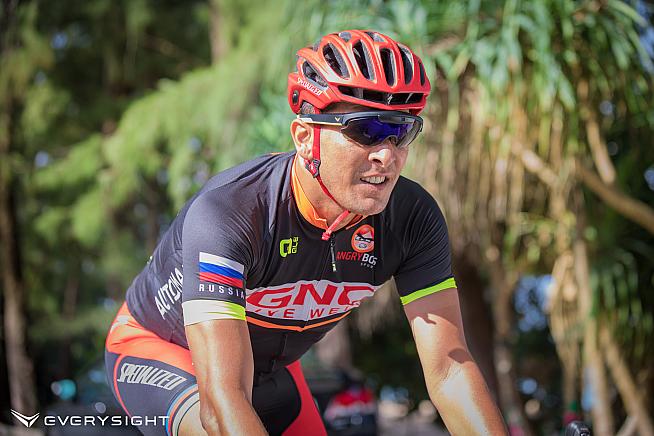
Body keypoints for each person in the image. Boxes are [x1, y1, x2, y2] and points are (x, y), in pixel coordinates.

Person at [104, 29, 507, 435]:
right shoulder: (232, 212)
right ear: (304, 138)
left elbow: (450, 372)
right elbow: (223, 402)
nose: (387, 154)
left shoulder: (412, 218)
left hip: (271, 369)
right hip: (161, 352)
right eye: (365, 130)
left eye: (401, 131)